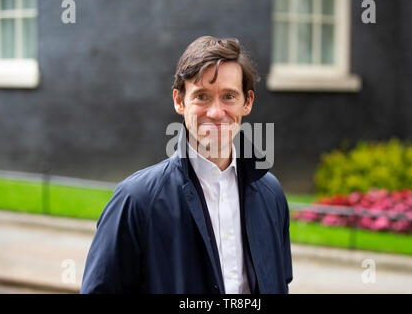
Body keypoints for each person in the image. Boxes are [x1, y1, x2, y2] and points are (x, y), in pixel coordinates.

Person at [80, 36, 292, 294]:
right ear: (179, 101)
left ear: (247, 102)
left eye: (228, 96)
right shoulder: (135, 200)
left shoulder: (272, 195)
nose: (215, 112)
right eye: (202, 96)